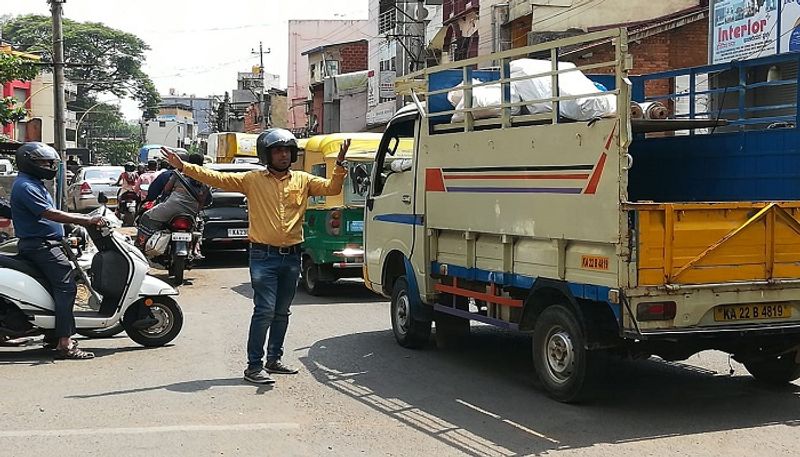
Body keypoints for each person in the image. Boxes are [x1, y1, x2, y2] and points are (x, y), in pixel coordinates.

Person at [163, 129, 349, 385]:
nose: (283, 155)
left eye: (286, 150)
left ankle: (274, 359)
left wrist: (339, 165)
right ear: (267, 155)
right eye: (277, 151)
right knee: (264, 311)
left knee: (282, 312)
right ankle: (253, 366)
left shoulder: (303, 180)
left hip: (293, 256)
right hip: (264, 256)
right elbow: (216, 178)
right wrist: (183, 166)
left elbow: (332, 187)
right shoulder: (252, 179)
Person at [10, 142, 103, 359]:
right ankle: (65, 343)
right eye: (43, 162)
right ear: (29, 163)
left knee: (54, 288)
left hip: (44, 243)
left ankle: (52, 334)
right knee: (66, 287)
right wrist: (86, 219)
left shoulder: (34, 183)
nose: (49, 166)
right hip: (42, 246)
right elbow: (50, 214)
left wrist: (71, 225)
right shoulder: (26, 186)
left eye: (49, 162)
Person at [136, 154, 211, 248]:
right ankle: (196, 248)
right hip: (192, 212)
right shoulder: (207, 177)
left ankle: (141, 245)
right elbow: (204, 200)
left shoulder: (179, 173)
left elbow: (166, 189)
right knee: (200, 226)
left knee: (146, 217)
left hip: (171, 207)